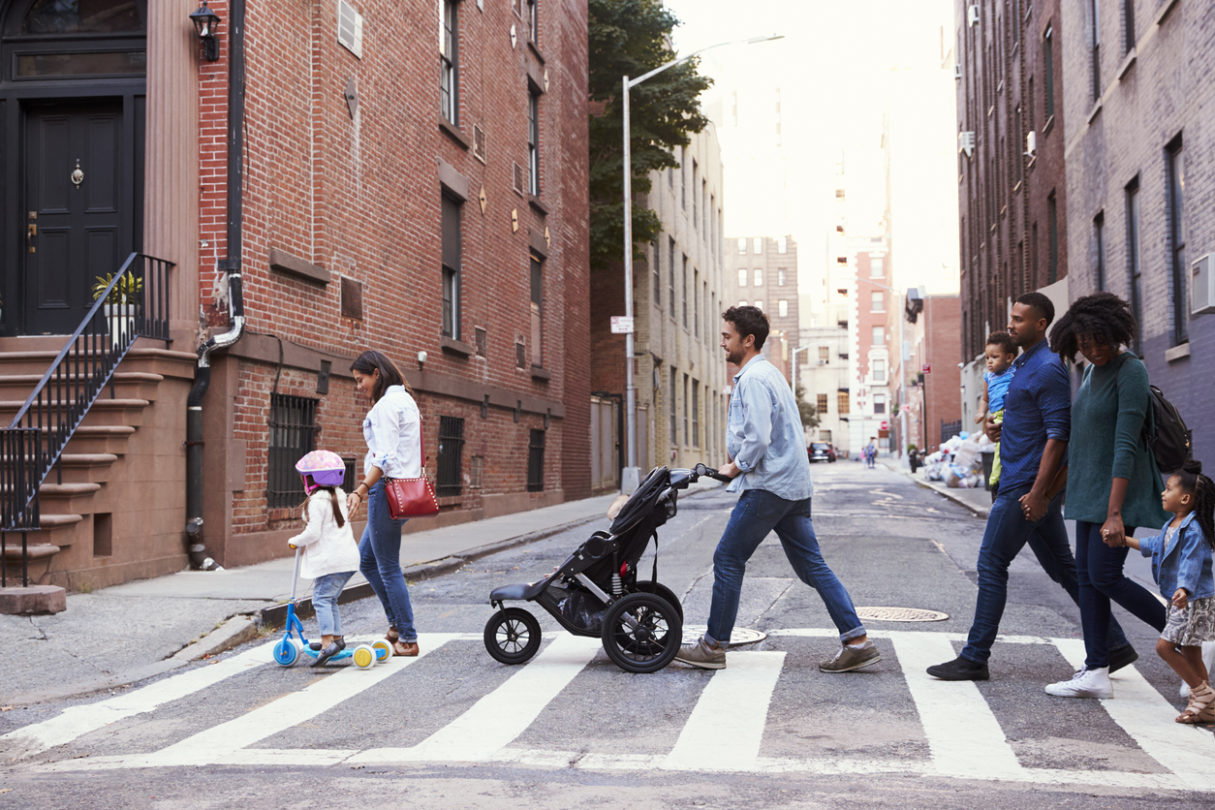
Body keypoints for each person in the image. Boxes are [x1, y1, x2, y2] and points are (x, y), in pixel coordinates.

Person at [926, 292, 1135, 681]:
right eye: (1012, 317)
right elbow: (1033, 423)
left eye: (1020, 320)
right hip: (1021, 481)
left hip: (1023, 487)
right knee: (1064, 569)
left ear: (1041, 324)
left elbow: (1058, 437)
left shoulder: (1047, 369)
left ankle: (975, 656)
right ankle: (1115, 645)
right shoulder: (1022, 366)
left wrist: (1039, 494)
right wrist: (998, 428)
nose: (1011, 324)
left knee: (991, 563)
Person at [676, 306, 878, 672]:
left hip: (769, 486)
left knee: (727, 558)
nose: (722, 341)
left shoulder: (753, 379)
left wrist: (734, 466)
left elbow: (758, 439)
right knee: (811, 565)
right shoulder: (770, 373)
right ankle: (857, 640)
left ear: (747, 340)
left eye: (727, 335)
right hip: (794, 486)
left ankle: (712, 646)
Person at [1043, 293, 1167, 699]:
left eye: (1100, 341)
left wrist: (1115, 513)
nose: (1093, 349)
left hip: (1119, 493)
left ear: (1115, 334)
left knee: (1105, 575)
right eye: (1084, 343)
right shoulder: (1093, 372)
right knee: (1087, 578)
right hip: (1089, 492)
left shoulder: (1130, 371)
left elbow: (1125, 445)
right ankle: (1096, 668)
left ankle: (1187, 637)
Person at [1122, 463, 1215, 722]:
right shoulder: (1173, 523)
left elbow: (1191, 563)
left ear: (1185, 498)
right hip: (1182, 598)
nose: (1163, 493)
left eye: (1168, 489)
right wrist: (1124, 540)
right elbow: (1156, 545)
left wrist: (1184, 588)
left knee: (1165, 647)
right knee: (1190, 651)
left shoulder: (1193, 530)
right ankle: (1206, 707)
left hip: (1191, 599)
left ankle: (1204, 695)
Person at [347, 350, 421, 657]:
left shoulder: (388, 405)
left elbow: (386, 457)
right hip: (402, 490)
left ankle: (407, 637)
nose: (358, 386)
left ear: (376, 373)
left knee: (388, 566)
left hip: (386, 490)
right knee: (366, 561)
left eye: (360, 379)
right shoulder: (404, 399)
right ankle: (396, 625)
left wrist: (360, 490)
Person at [288, 450, 361, 666]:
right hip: (345, 559)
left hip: (332, 561)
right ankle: (336, 639)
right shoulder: (339, 496)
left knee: (320, 599)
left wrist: (295, 540)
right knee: (330, 599)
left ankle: (327, 640)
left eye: (306, 478)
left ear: (313, 480)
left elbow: (313, 533)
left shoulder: (317, 501)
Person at [975, 331, 1017, 498]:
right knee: (999, 449)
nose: (989, 361)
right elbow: (985, 399)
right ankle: (995, 481)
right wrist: (980, 413)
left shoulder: (1015, 373)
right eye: (987, 357)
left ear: (1008, 358)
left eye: (994, 357)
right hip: (997, 415)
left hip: (1011, 412)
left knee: (1004, 450)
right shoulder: (988, 378)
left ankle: (996, 481)